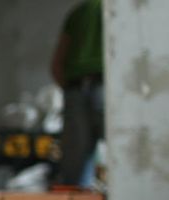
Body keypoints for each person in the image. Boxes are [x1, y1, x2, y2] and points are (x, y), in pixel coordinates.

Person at [51, 0, 104, 188]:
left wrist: (69, 90)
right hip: (107, 87)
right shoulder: (119, 9)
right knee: (126, 156)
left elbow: (57, 64)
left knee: (75, 166)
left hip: (75, 89)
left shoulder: (78, 13)